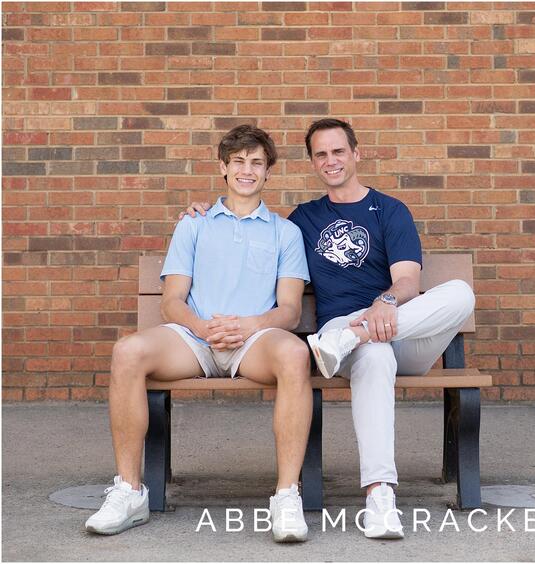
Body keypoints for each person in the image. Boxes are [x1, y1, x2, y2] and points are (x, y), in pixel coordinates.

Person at [183, 118, 476, 540]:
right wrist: (205, 212)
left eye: (338, 151)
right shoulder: (302, 220)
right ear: (313, 163)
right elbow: (252, 232)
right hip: (346, 335)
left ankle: (351, 337)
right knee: (374, 354)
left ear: (356, 154)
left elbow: (409, 281)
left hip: (394, 327)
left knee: (460, 293)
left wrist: (382, 305)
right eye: (321, 154)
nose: (330, 161)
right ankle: (379, 495)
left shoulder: (390, 211)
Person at [87, 125, 313, 543]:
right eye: (239, 162)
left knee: (295, 355)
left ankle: (286, 496)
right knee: (127, 351)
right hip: (194, 339)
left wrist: (248, 325)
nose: (248, 170)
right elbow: (171, 301)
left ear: (269, 172)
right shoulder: (195, 224)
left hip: (254, 341)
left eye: (257, 163)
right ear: (223, 168)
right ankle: (128, 492)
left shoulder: (286, 232)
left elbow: (290, 309)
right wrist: (203, 327)